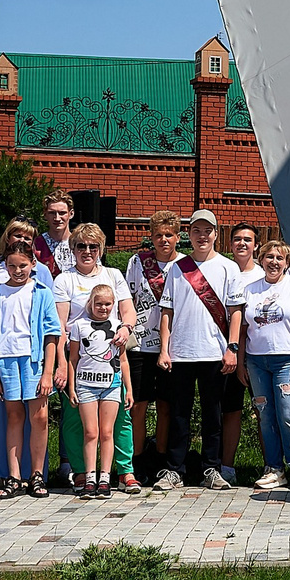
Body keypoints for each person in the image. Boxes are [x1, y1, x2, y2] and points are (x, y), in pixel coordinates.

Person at [155, 209, 247, 489]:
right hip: (181, 353)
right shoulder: (177, 268)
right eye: (196, 231)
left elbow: (235, 312)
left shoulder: (228, 268)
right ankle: (174, 470)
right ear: (189, 235)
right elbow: (167, 312)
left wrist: (232, 348)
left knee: (213, 414)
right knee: (179, 414)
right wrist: (164, 349)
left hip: (215, 353)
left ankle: (211, 468)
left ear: (216, 234)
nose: (202, 236)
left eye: (207, 231)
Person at [56, 223, 138, 491]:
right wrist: (61, 363)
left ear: (101, 249)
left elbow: (128, 312)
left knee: (120, 420)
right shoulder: (64, 279)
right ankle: (82, 472)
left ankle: (124, 471)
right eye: (81, 246)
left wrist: (125, 329)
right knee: (74, 418)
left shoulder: (113, 275)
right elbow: (60, 325)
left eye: (93, 246)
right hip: (79, 360)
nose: (87, 251)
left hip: (112, 359)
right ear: (73, 249)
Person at [241, 236, 290, 491]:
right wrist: (243, 360)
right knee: (265, 416)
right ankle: (274, 469)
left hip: (287, 360)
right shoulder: (251, 289)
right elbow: (244, 328)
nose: (274, 262)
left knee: (288, 414)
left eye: (279, 258)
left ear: (287, 263)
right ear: (261, 260)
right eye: (269, 257)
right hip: (257, 361)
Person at [0, 236, 63, 499]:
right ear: (4, 266)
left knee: (39, 417)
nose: (17, 271)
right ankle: (14, 476)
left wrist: (48, 372)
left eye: (22, 265)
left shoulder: (41, 292)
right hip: (6, 360)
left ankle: (38, 474)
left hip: (34, 361)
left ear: (33, 263)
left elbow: (52, 335)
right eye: (12, 266)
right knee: (14, 416)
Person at [123, 209, 180, 479]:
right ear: (151, 237)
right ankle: (136, 460)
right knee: (139, 404)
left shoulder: (186, 266)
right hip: (140, 346)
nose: (163, 240)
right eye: (158, 235)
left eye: (169, 234)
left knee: (166, 405)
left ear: (178, 237)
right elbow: (128, 299)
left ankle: (161, 457)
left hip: (172, 347)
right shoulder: (137, 262)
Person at [69, 281, 128, 497]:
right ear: (91, 304)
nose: (103, 308)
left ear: (113, 304)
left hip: (111, 385)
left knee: (107, 432)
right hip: (86, 385)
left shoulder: (118, 326)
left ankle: (105, 478)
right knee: (90, 432)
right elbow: (73, 359)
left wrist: (128, 389)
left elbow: (123, 361)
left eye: (108, 304)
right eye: (99, 304)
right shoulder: (79, 326)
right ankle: (89, 477)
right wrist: (72, 386)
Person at [215, 222, 261, 477]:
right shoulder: (222, 269)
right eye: (237, 239)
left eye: (248, 239)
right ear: (230, 243)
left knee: (262, 412)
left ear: (256, 245)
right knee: (229, 410)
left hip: (256, 353)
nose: (242, 243)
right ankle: (226, 466)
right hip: (227, 351)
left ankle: (272, 466)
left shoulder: (264, 274)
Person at [35, 192, 76, 281]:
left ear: (71, 214)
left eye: (62, 213)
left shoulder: (82, 243)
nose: (57, 218)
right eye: (52, 213)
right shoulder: (36, 245)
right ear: (45, 215)